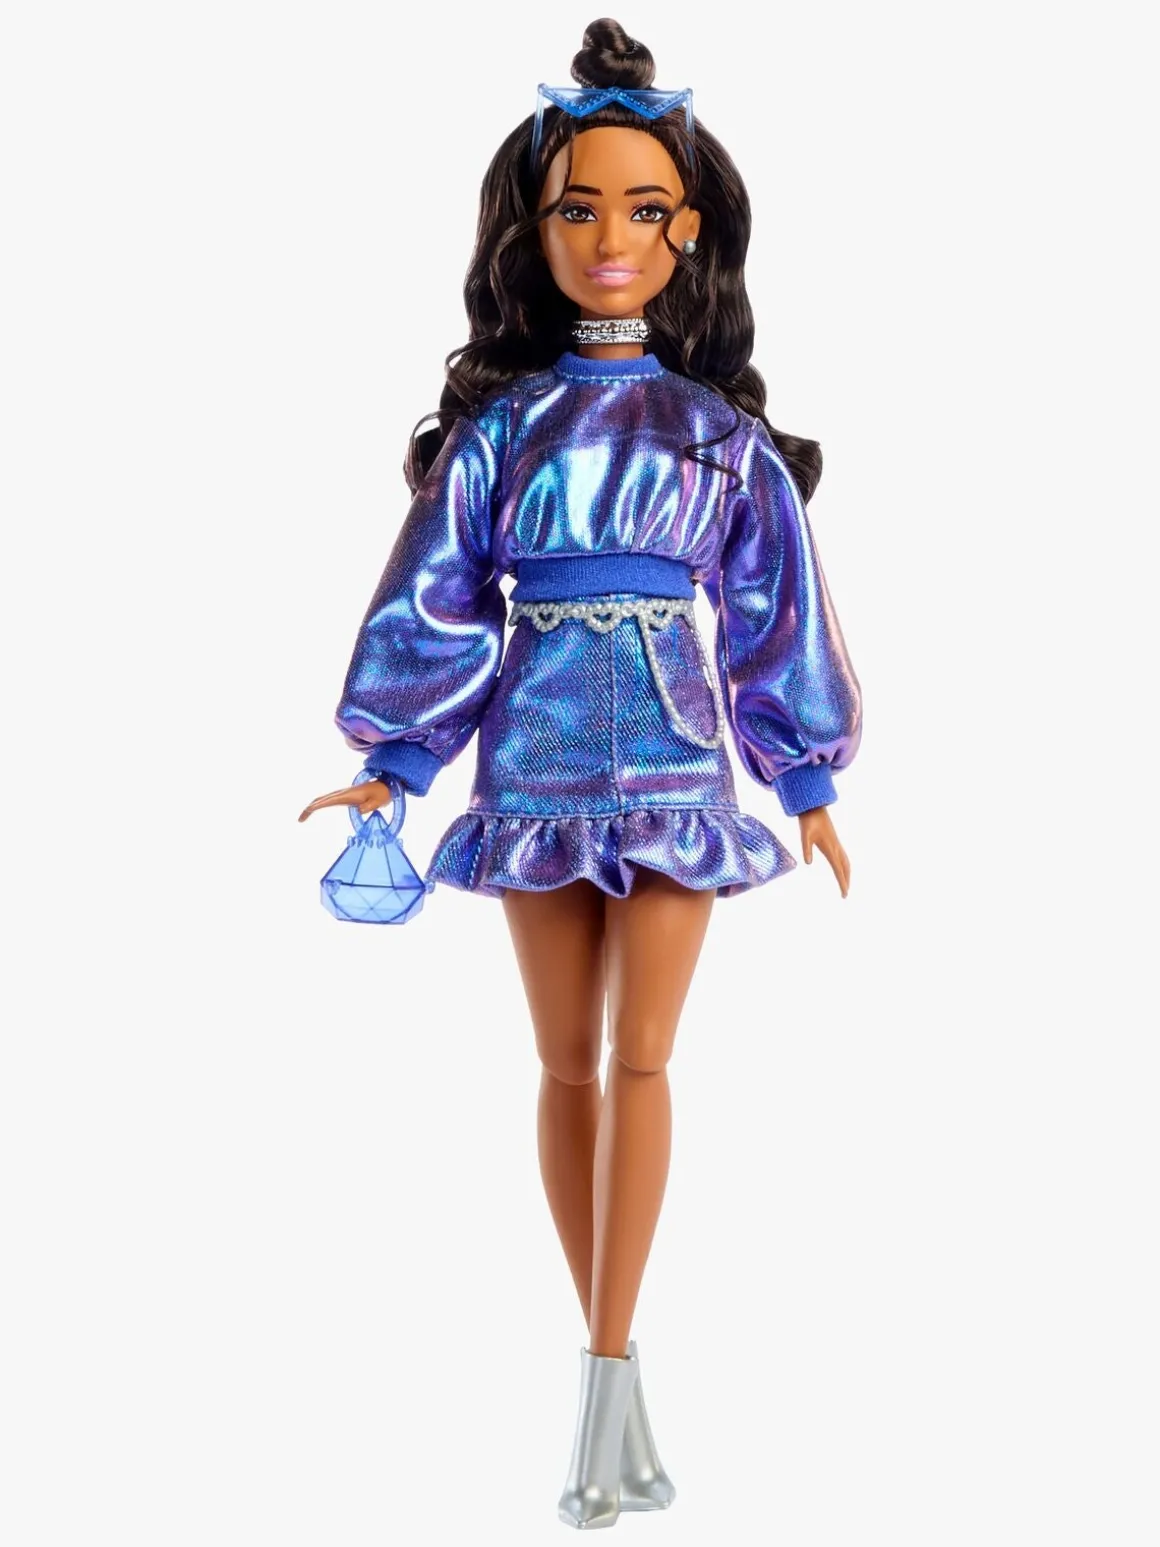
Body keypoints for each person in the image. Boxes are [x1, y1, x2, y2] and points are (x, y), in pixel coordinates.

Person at [299, 17, 862, 1530]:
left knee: (645, 1055)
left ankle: (611, 1375)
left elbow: (777, 608)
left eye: (643, 211)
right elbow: (433, 599)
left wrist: (806, 776)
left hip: (677, 769)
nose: (611, 240)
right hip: (535, 770)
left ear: (688, 235)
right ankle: (609, 1375)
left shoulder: (717, 436)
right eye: (578, 210)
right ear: (532, 233)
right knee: (563, 1060)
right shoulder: (502, 434)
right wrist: (393, 761)